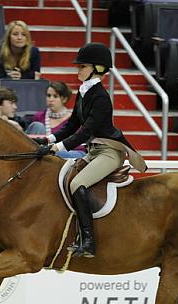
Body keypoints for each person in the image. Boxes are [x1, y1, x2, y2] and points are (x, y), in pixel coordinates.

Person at [33, 43, 147, 258]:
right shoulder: (84, 92)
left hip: (109, 151)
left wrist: (56, 148)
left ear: (98, 68)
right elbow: (71, 125)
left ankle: (88, 241)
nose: (78, 70)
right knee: (64, 178)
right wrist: (48, 139)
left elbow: (87, 131)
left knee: (78, 183)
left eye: (82, 66)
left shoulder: (101, 97)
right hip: (94, 151)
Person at [25, 80, 85, 159]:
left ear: (64, 99)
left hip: (70, 152)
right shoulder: (39, 116)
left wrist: (54, 148)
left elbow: (78, 143)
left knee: (54, 153)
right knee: (37, 126)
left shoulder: (73, 119)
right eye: (48, 95)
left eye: (55, 96)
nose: (50, 99)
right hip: (44, 154)